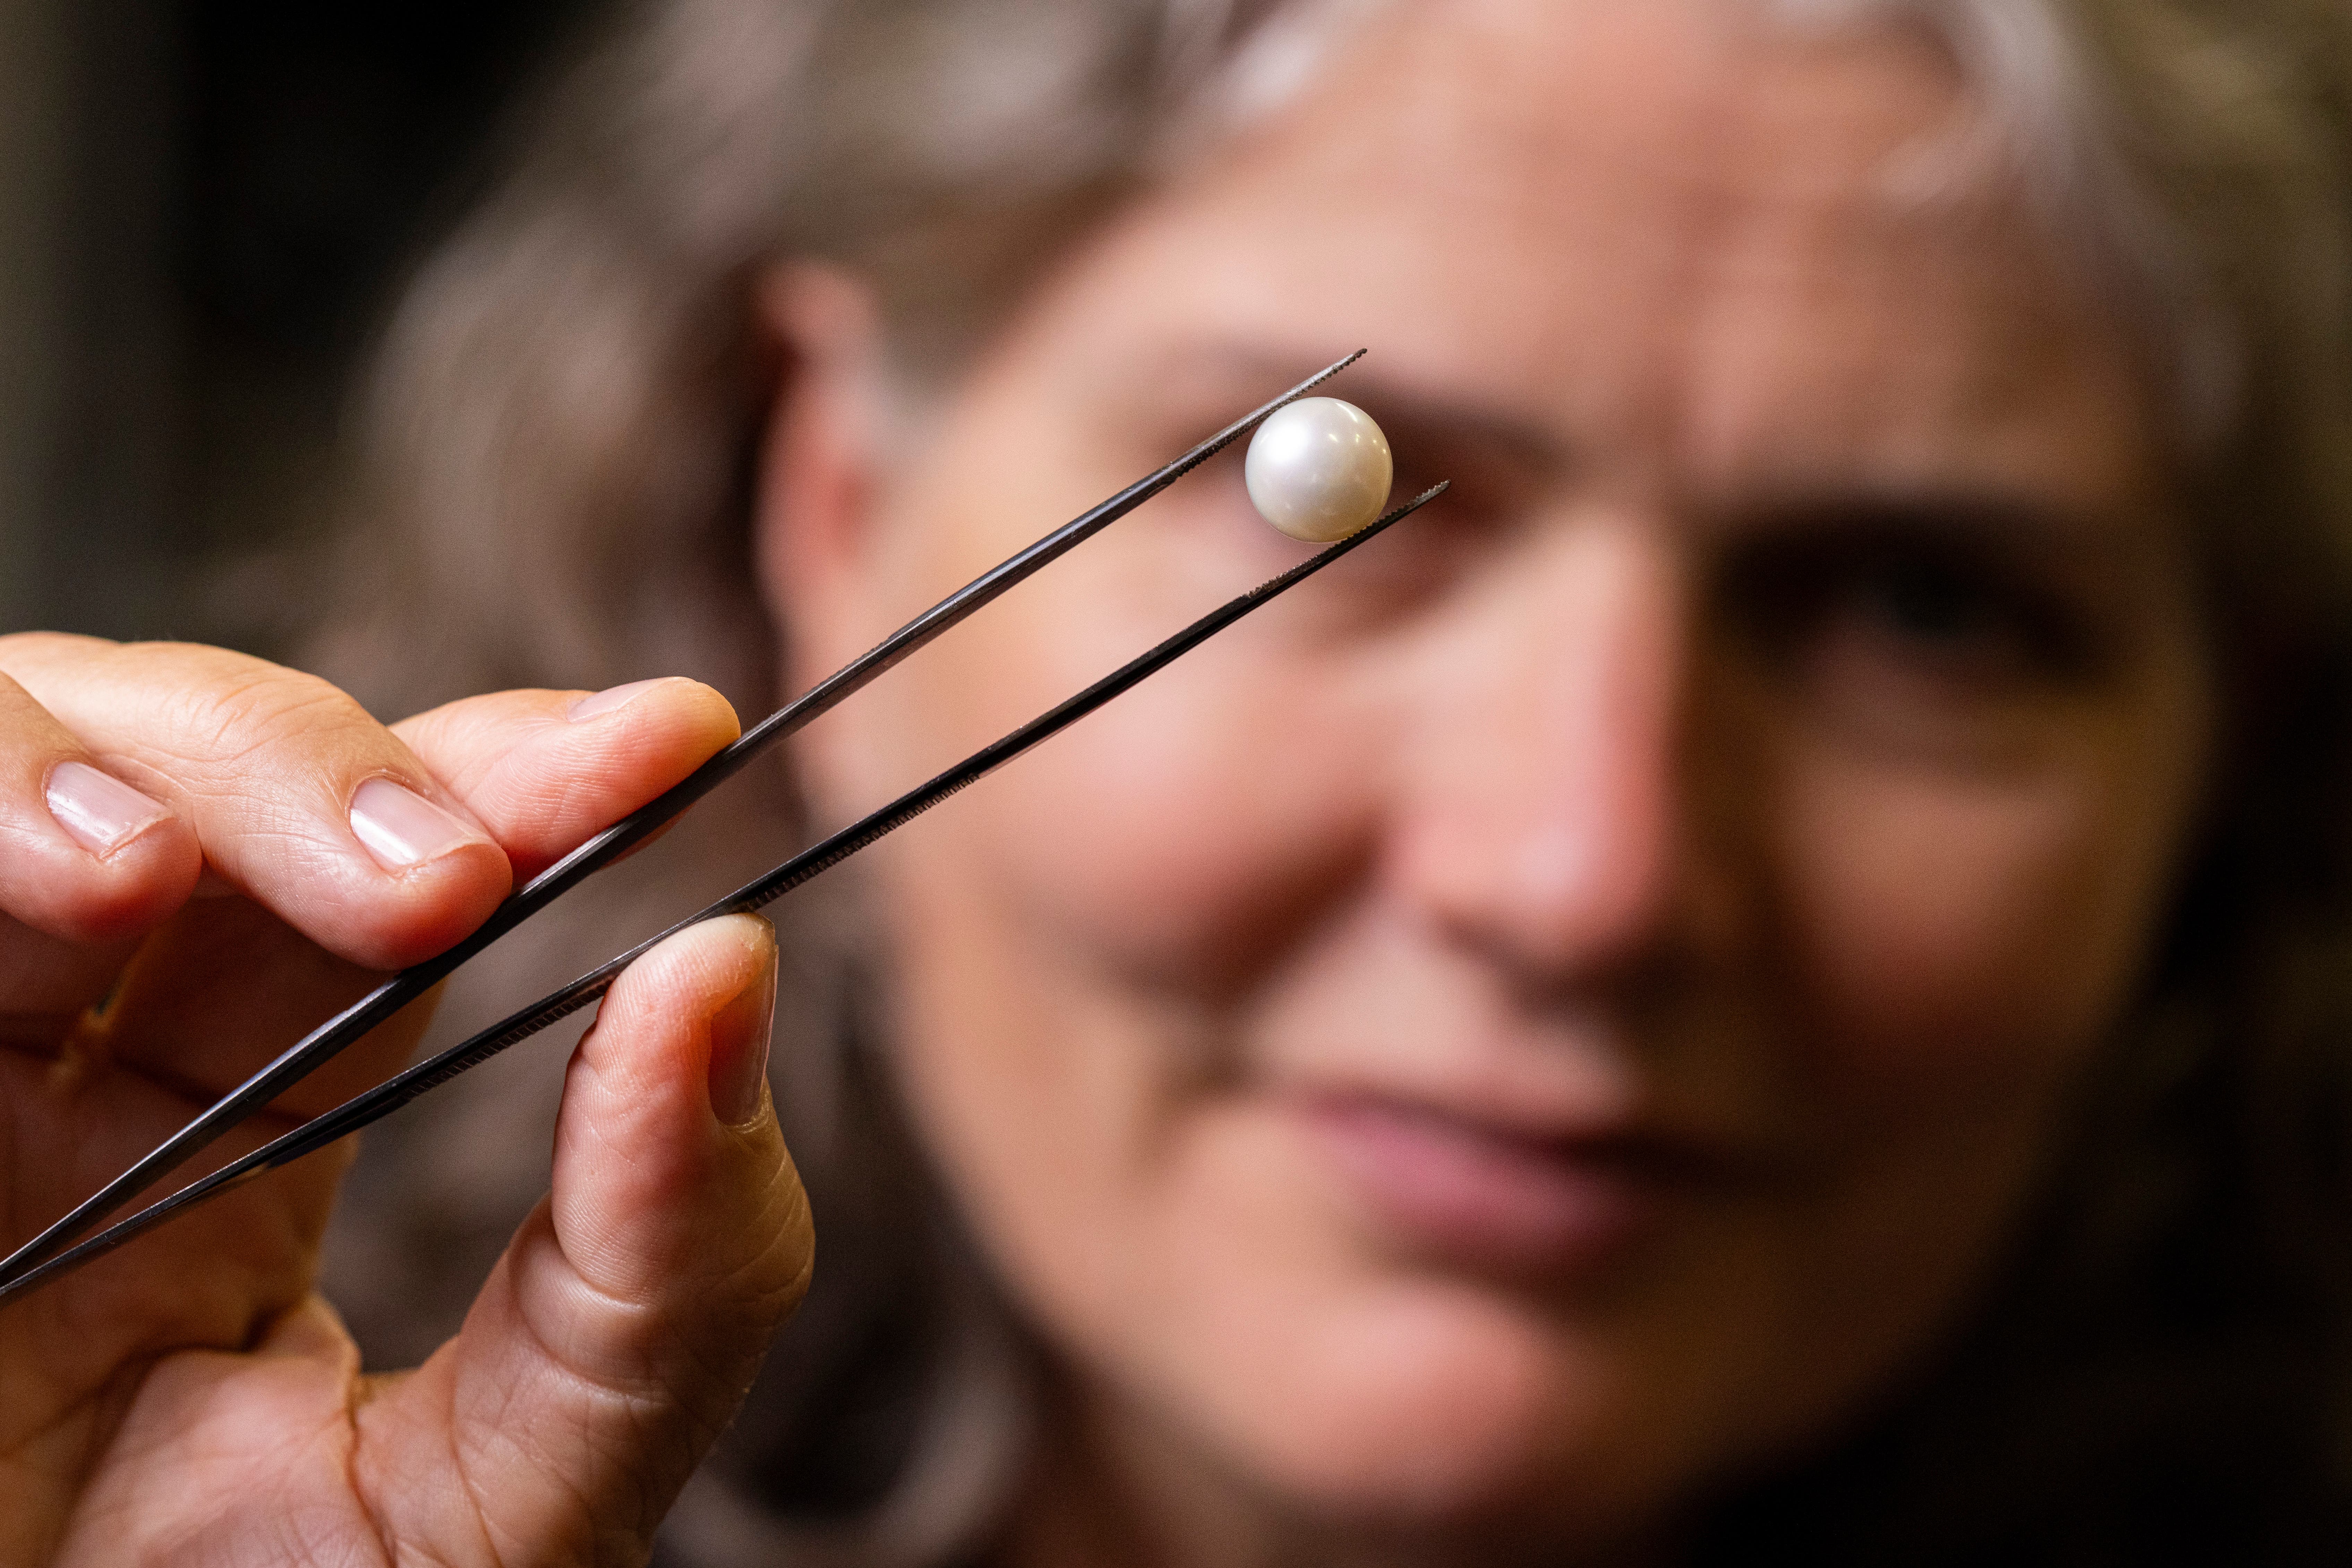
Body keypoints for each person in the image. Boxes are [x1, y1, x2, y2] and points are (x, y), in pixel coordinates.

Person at [10, 0, 2352, 1561]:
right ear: (825, 506)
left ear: (2218, 743)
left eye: (1923, 608)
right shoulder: (191, 1410)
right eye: (1334, 503)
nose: (1586, 875)